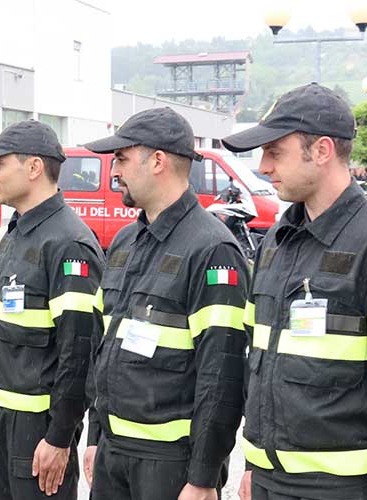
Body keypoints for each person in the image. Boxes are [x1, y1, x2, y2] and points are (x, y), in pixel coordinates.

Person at [222, 83, 367, 500]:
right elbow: (260, 361)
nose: (263, 166)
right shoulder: (278, 239)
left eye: (275, 152)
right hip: (270, 483)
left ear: (322, 150)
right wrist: (258, 467)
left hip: (344, 489)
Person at [78, 108, 251, 500]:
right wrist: (95, 434)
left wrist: (205, 475)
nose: (114, 171)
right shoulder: (124, 242)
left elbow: (221, 375)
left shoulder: (213, 250)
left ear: (157, 161)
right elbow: (104, 348)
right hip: (113, 454)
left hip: (169, 464)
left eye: (121, 158)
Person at [0, 120, 104, 500]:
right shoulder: (18, 232)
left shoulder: (68, 243)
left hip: (38, 429)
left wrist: (59, 437)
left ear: (34, 167)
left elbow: (80, 351)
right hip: (1, 418)